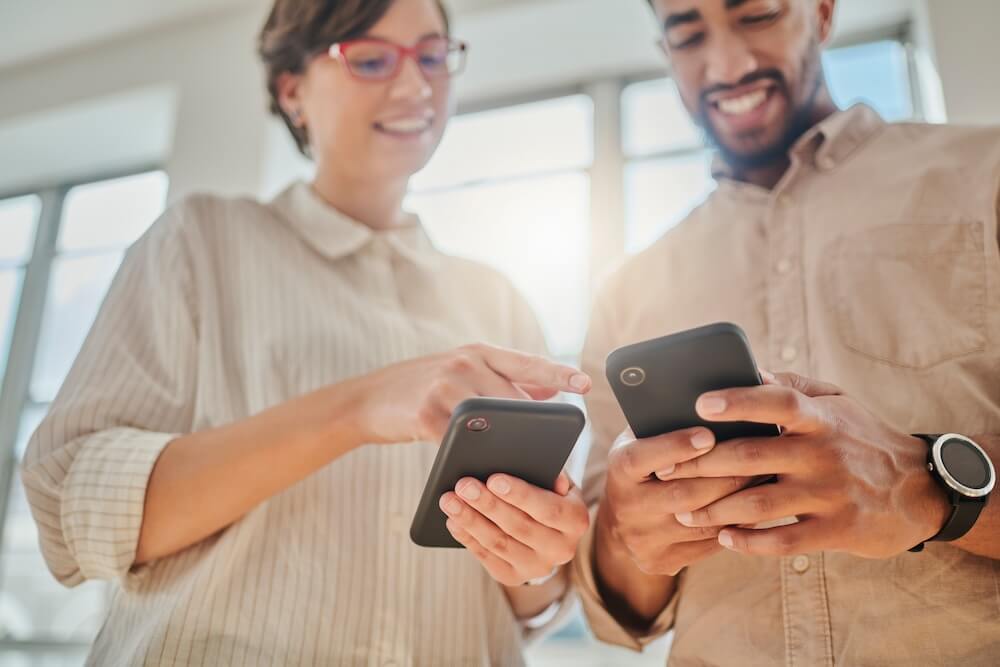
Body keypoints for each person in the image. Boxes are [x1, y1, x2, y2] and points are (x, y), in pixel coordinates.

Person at [21, 0, 592, 664]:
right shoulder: (200, 242)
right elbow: (75, 508)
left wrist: (535, 560)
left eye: (433, 56)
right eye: (371, 59)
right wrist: (361, 405)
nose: (415, 87)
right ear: (292, 90)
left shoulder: (498, 299)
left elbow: (532, 598)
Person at [572, 0, 1000, 665]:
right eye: (687, 36)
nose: (727, 64)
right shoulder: (628, 285)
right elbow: (619, 603)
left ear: (823, 12)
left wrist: (926, 487)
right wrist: (630, 538)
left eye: (759, 15)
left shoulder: (988, 177)